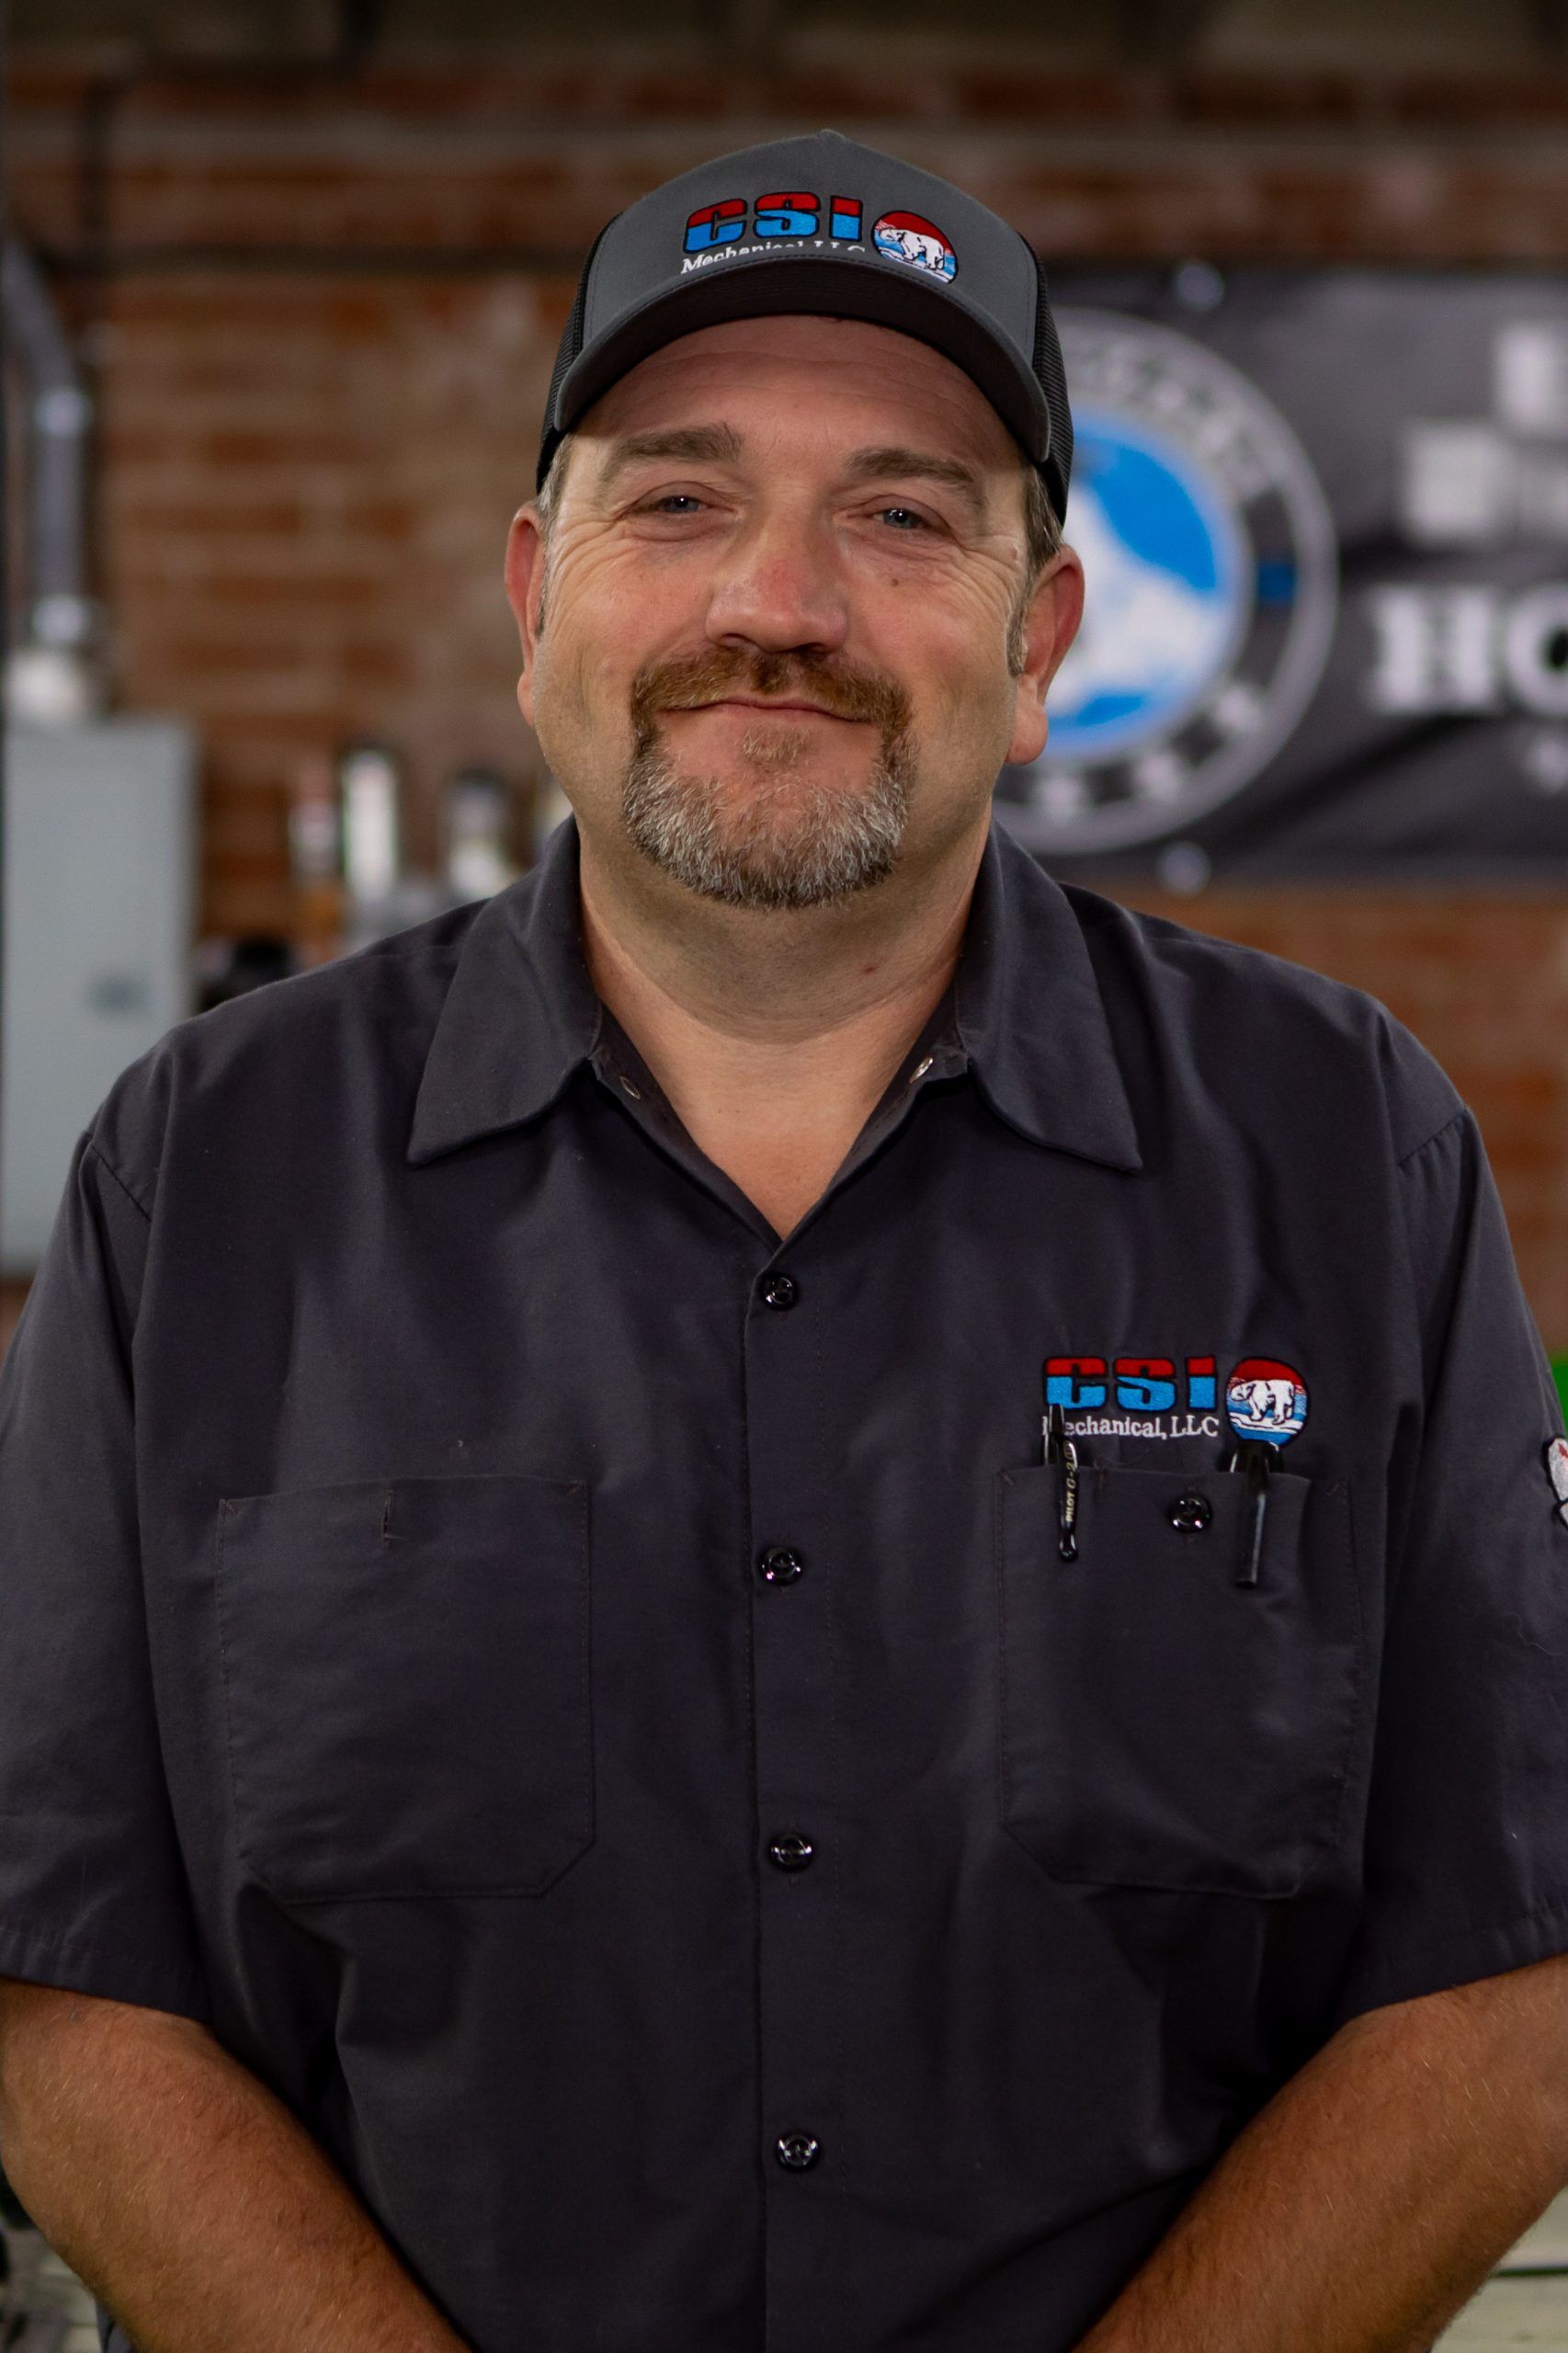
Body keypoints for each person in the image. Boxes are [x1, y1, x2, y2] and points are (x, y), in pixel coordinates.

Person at [0, 128, 1566, 2353]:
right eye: (679, 499)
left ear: (1037, 641)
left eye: (904, 516)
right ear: (538, 594)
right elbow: (65, 1970)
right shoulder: (208, 1173)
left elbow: (1505, 1965)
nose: (781, 602)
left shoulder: (1340, 1146)